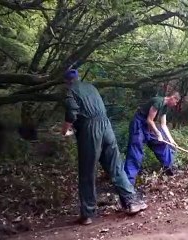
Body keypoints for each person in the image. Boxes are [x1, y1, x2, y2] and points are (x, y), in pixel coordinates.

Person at [61, 69, 147, 225]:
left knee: (87, 171)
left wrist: (65, 129)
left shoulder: (71, 91)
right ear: (78, 77)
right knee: (116, 166)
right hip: (106, 126)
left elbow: (72, 113)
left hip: (90, 130)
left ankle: (87, 214)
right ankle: (132, 202)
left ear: (67, 81)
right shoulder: (91, 87)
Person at [124, 91, 181, 185]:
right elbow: (149, 120)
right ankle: (128, 183)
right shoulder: (158, 102)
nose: (175, 104)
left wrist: (171, 140)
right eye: (176, 102)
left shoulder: (165, 108)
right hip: (139, 123)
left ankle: (169, 167)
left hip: (148, 126)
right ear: (172, 98)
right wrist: (158, 134)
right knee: (136, 151)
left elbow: (163, 125)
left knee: (162, 143)